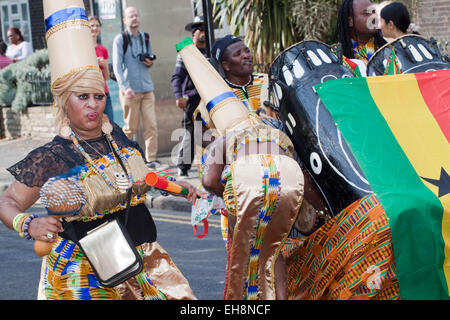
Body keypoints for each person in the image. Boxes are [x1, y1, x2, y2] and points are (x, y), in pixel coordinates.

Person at [0, 0, 199, 300]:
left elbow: (142, 177)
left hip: (143, 257)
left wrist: (176, 186)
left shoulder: (115, 135)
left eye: (99, 96)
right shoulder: (51, 156)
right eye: (82, 97)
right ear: (65, 101)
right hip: (83, 273)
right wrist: (29, 223)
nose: (93, 105)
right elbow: (8, 201)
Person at [176, 37, 306, 300]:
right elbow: (206, 147)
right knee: (245, 259)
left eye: (248, 50)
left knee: (282, 250)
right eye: (238, 54)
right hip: (240, 188)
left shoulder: (268, 84)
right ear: (225, 65)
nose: (247, 55)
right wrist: (228, 193)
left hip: (283, 179)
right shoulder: (209, 100)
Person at [112, 6, 162, 169]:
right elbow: (117, 68)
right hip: (130, 91)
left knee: (151, 126)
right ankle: (121, 158)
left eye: (136, 15)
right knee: (130, 128)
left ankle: (151, 160)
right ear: (125, 20)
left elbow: (149, 60)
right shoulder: (120, 39)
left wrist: (149, 62)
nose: (135, 18)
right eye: (131, 16)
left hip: (147, 88)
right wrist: (125, 87)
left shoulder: (145, 38)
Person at [171, 16, 207, 177]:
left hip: (211, 99)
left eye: (205, 28)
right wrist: (179, 96)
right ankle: (183, 167)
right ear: (193, 33)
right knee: (191, 134)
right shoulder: (186, 53)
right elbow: (176, 77)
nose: (203, 32)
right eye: (199, 29)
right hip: (192, 100)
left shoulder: (212, 50)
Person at [334, 0, 387, 76]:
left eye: (374, 12)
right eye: (366, 13)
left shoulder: (389, 50)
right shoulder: (335, 55)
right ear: (350, 21)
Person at [89, 16, 114, 123]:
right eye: (92, 25)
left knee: (110, 124)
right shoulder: (83, 49)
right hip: (90, 95)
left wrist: (104, 65)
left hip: (104, 92)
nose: (95, 28)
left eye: (97, 25)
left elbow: (107, 77)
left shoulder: (103, 50)